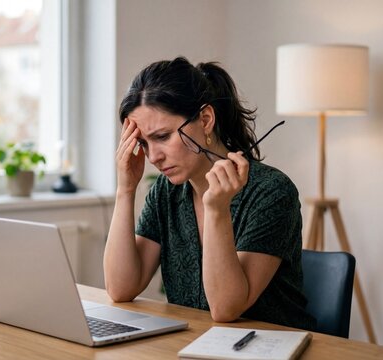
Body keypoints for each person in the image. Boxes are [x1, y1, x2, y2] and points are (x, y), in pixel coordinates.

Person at [103, 56, 316, 330]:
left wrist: (217, 210)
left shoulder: (272, 192)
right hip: (194, 346)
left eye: (163, 136)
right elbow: (120, 288)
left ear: (205, 119)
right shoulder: (166, 192)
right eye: (143, 143)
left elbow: (226, 308)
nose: (153, 156)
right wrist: (125, 189)